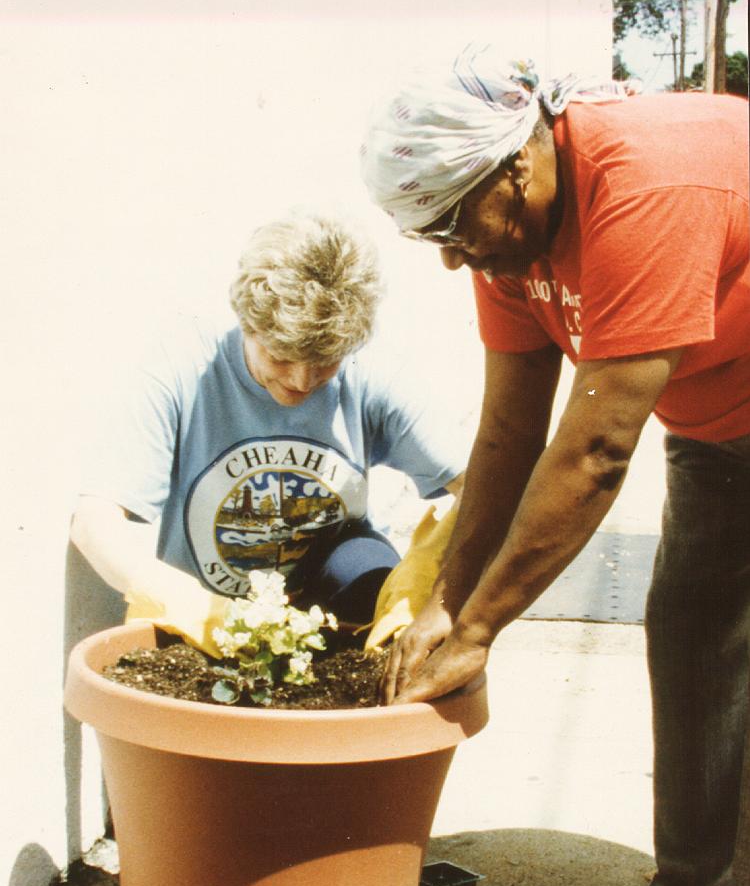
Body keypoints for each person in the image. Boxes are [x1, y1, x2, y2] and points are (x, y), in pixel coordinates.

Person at [360, 44, 750, 886]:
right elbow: (509, 434)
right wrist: (446, 599)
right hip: (722, 416)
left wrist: (479, 628)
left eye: (457, 228)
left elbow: (595, 451)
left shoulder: (649, 183)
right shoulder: (511, 243)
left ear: (519, 161)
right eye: (435, 241)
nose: (457, 262)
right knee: (695, 632)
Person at [70, 212, 465, 643]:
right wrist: (175, 598)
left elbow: (484, 489)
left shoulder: (373, 370)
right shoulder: (179, 366)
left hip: (333, 601)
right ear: (247, 325)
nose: (300, 381)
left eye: (324, 364)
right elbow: (93, 523)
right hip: (209, 613)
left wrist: (427, 581)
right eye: (280, 357)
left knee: (367, 568)